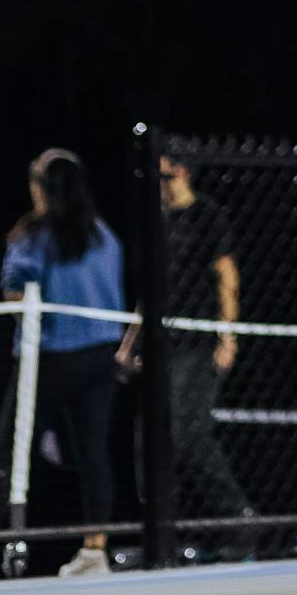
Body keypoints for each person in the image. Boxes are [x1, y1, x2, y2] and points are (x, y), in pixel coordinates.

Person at [0, 149, 124, 584]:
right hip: (100, 358)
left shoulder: (34, 235)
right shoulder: (105, 236)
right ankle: (95, 550)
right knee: (93, 453)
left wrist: (31, 328)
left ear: (42, 188)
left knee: (9, 450)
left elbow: (15, 295)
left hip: (48, 358)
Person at [115, 154, 254, 544]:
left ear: (181, 170)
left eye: (162, 172)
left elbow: (227, 276)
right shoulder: (155, 221)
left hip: (198, 340)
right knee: (149, 436)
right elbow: (149, 293)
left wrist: (228, 335)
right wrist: (129, 344)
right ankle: (159, 527)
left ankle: (236, 515)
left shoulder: (207, 215)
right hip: (162, 342)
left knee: (186, 432)